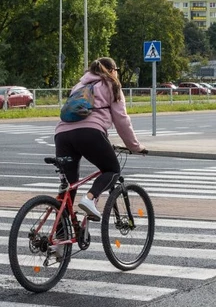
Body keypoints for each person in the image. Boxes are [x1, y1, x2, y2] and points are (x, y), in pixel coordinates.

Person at [54, 57, 147, 221]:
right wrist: (134, 146)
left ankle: (59, 240)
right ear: (112, 71)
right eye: (116, 71)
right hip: (89, 133)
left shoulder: (79, 85)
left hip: (62, 134)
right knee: (112, 170)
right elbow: (121, 120)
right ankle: (90, 198)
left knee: (69, 186)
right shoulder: (111, 85)